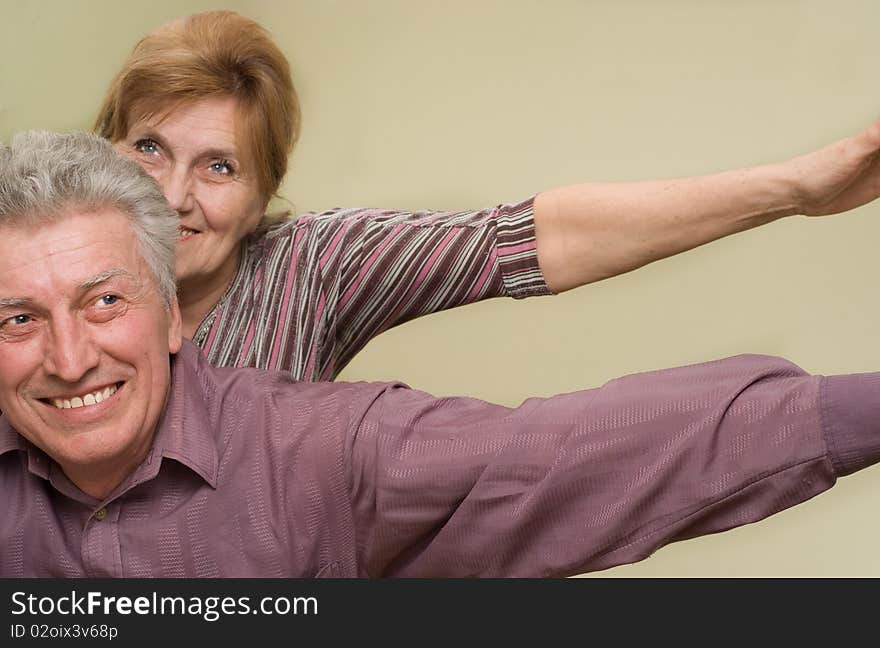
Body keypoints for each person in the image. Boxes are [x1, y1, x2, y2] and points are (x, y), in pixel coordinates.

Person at [2, 130, 879, 578]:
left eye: (105, 301)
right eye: (18, 320)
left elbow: (573, 452)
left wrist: (796, 189)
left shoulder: (317, 446)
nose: (70, 357)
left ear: (172, 316)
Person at [94, 10, 880, 381]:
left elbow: (541, 238)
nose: (171, 195)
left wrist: (795, 190)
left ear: (265, 195)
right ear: (104, 152)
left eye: (220, 168)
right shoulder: (29, 263)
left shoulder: (312, 267)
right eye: (150, 148)